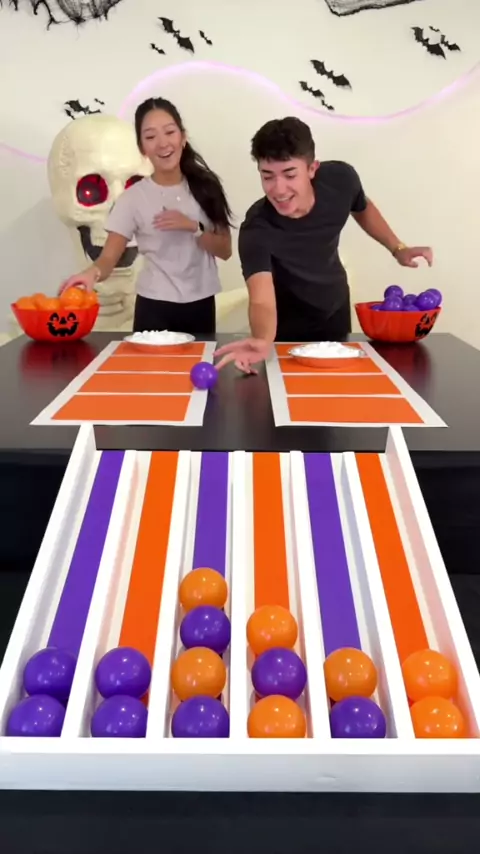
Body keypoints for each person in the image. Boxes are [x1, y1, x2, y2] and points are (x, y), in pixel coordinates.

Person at [215, 116, 432, 373]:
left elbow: (361, 207)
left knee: (337, 392)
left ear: (312, 169)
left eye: (290, 174)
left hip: (335, 310)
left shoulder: (341, 180)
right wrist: (262, 339)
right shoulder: (257, 228)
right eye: (267, 176)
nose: (279, 189)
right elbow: (261, 299)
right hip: (286, 328)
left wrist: (397, 248)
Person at [60, 97, 233, 334]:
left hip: (200, 304)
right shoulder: (133, 198)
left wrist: (193, 227)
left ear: (183, 137)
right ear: (142, 148)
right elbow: (108, 258)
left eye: (169, 132)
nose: (162, 143)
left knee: (198, 359)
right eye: (151, 137)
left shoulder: (206, 188)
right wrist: (90, 274)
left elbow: (225, 250)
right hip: (153, 306)